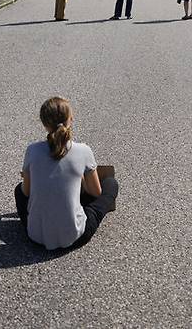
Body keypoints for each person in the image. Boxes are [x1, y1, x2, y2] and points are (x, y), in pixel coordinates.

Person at [15, 97, 119, 250]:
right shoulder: (83, 150)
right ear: (71, 119)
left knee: (18, 189)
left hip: (36, 235)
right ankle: (74, 208)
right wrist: (80, 179)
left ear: (44, 124)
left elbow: (26, 191)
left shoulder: (32, 150)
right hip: (75, 235)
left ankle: (43, 216)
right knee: (111, 183)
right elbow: (96, 192)